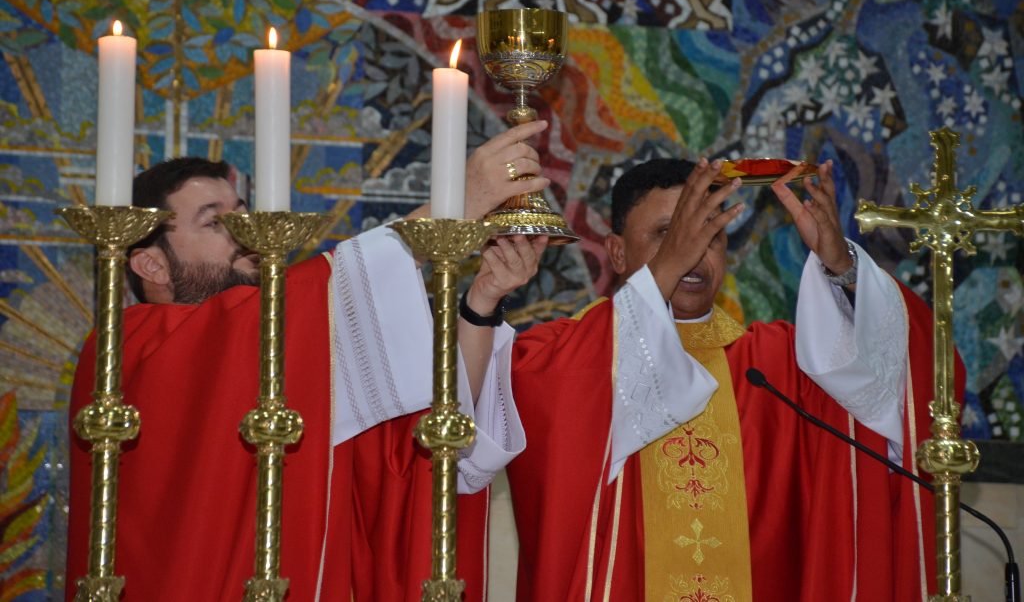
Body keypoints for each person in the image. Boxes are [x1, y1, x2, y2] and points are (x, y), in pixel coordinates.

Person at [66, 121, 552, 601]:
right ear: (150, 263)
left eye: (243, 213)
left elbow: (414, 456)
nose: (245, 233)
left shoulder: (293, 358)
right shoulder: (126, 349)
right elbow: (263, 320)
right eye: (215, 221)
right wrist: (455, 205)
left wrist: (481, 304)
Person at [506, 157, 963, 601]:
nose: (693, 252)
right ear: (618, 252)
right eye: (670, 234)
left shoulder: (779, 368)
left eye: (711, 236)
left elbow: (910, 373)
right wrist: (665, 269)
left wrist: (841, 266)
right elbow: (554, 406)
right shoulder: (562, 357)